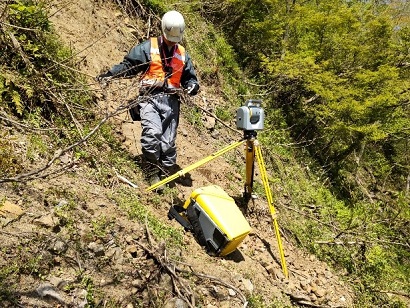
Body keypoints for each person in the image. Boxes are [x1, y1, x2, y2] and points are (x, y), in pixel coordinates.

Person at [97, 10, 199, 192]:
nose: (172, 42)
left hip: (171, 102)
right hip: (149, 98)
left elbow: (190, 78)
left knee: (168, 143)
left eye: (175, 40)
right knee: (153, 133)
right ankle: (151, 171)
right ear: (163, 31)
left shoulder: (183, 54)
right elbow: (129, 66)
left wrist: (192, 86)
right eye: (170, 38)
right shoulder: (147, 48)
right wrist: (110, 75)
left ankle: (164, 172)